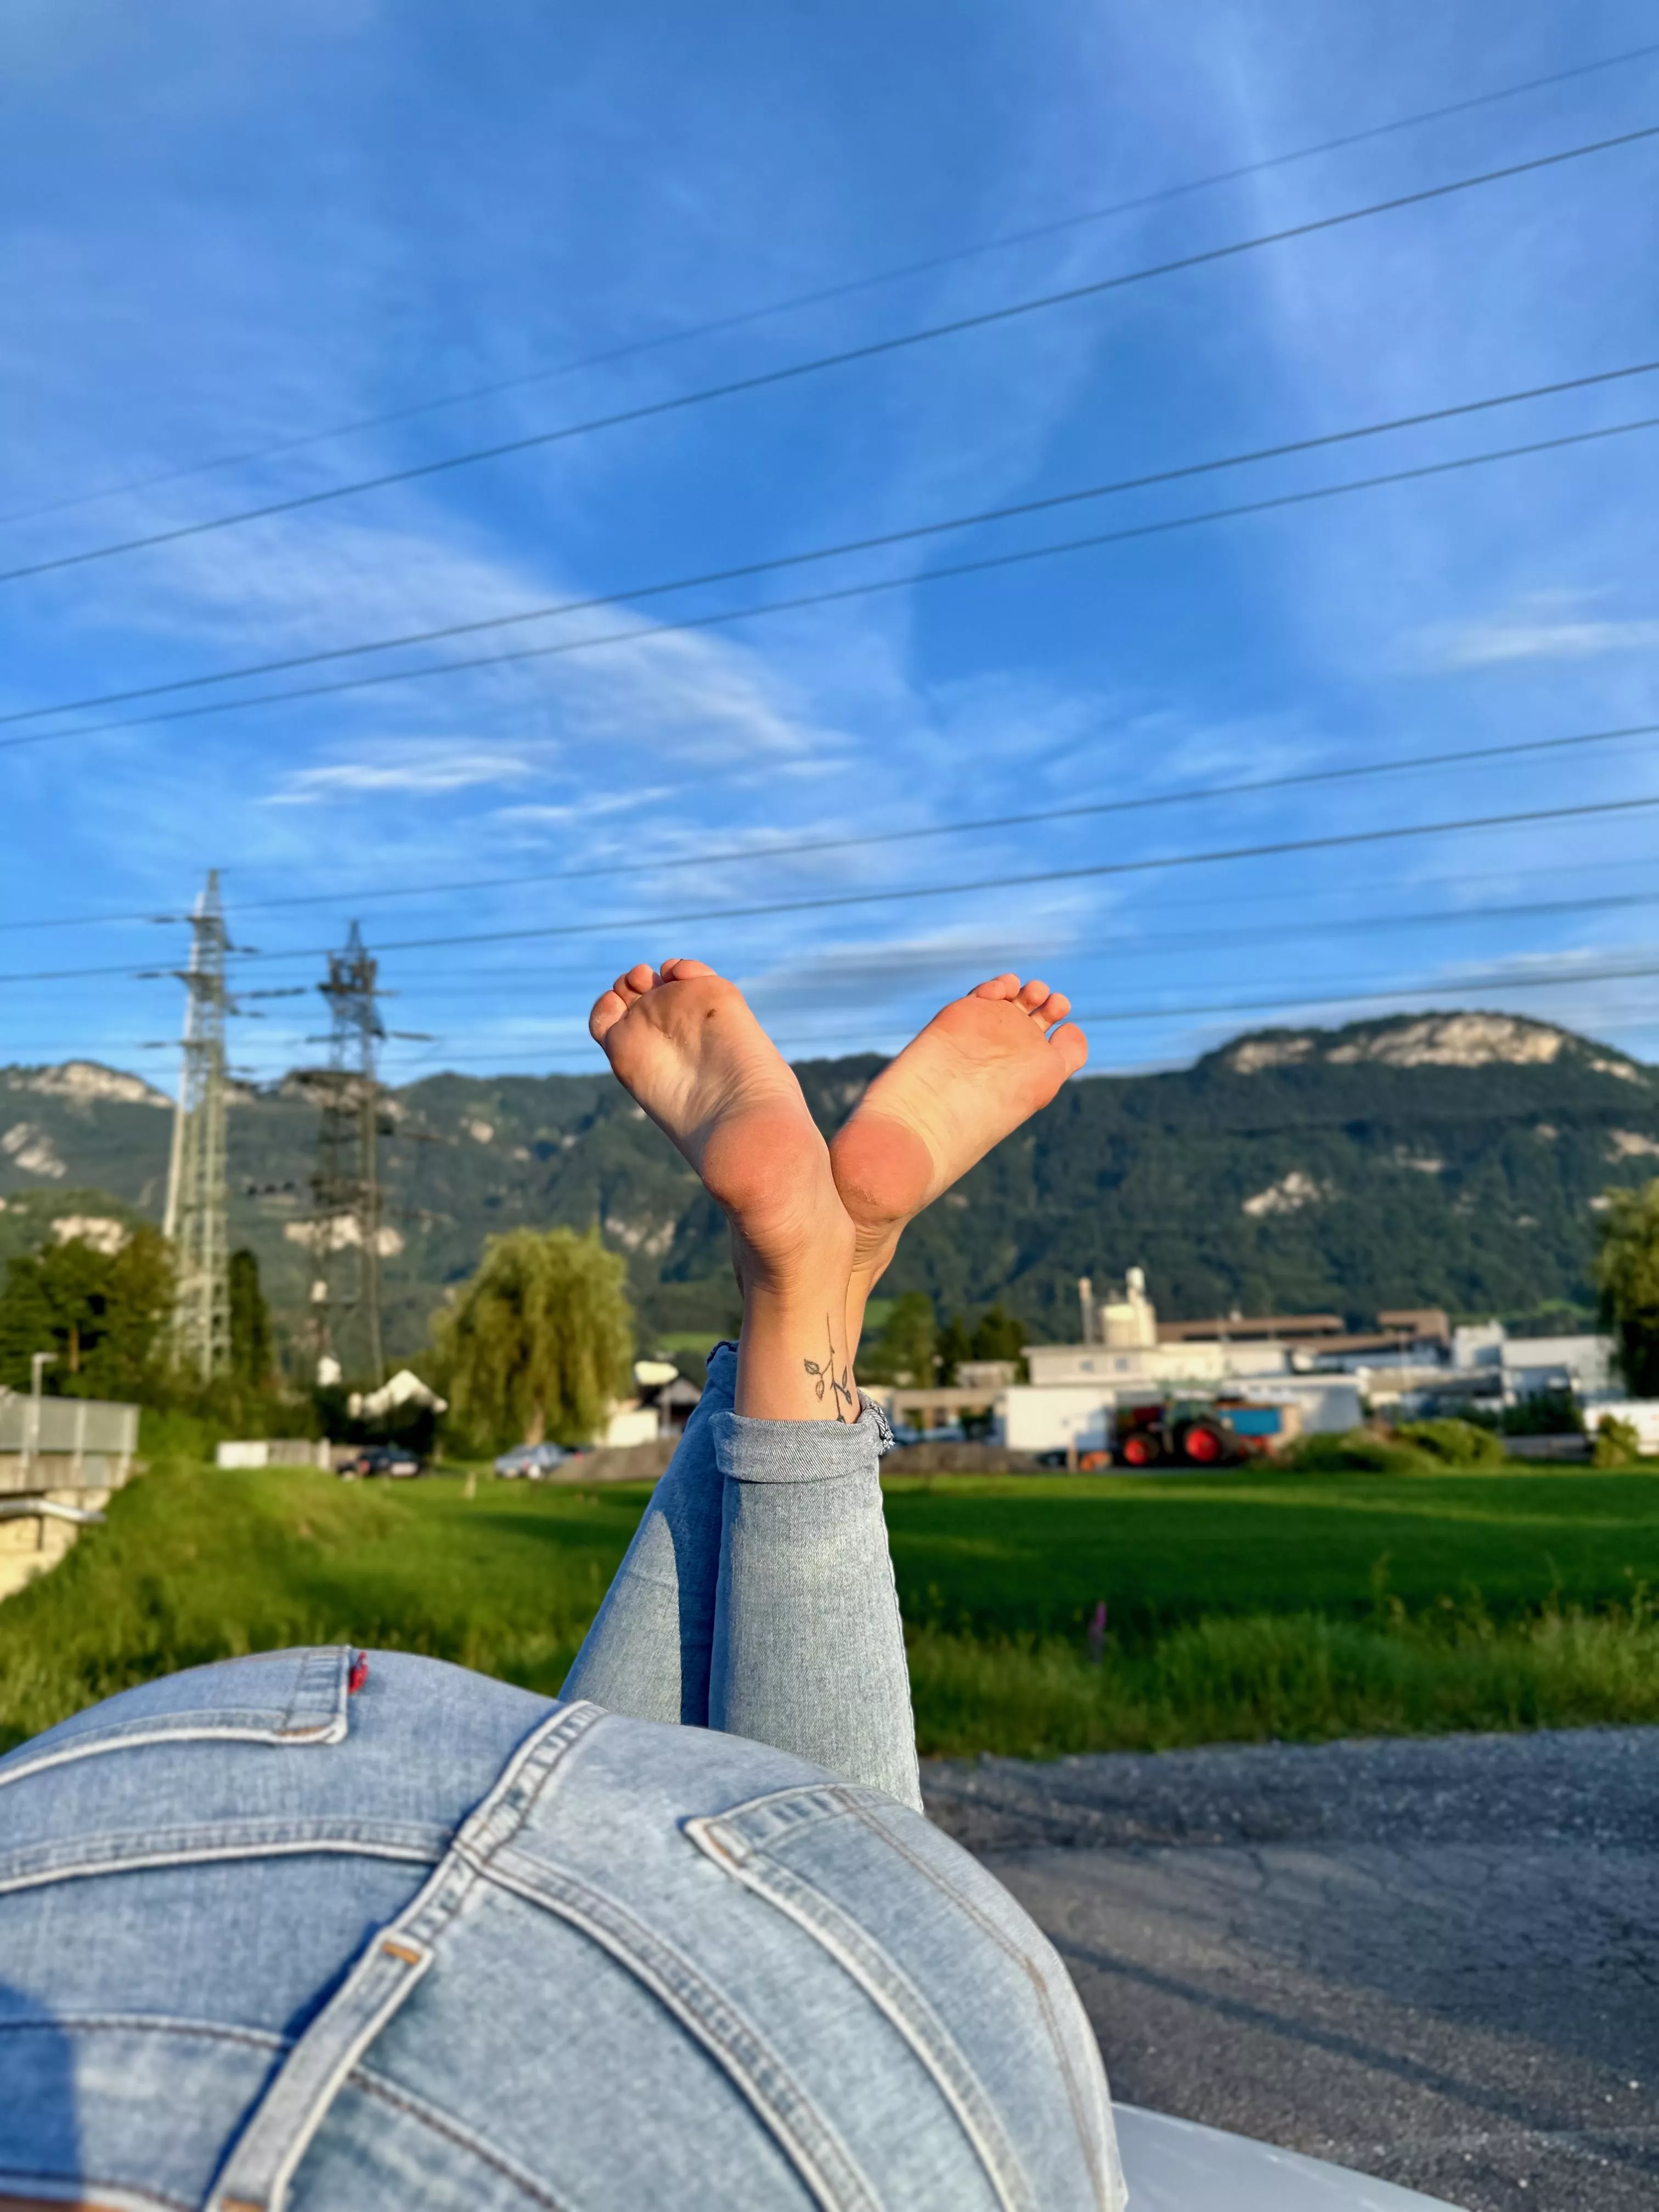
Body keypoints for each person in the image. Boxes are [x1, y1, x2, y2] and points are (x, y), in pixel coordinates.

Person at [0, 962, 1122, 2212]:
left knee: (855, 1931)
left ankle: (804, 1290)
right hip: (104, 1852)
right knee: (616, 1804)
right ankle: (806, 1299)